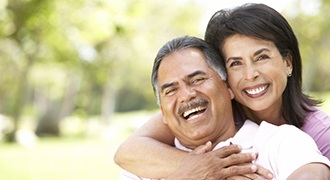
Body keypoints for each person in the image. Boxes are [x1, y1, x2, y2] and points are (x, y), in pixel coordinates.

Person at [114, 3, 330, 179]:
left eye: (261, 57)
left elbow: (313, 173)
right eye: (235, 63)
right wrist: (201, 171)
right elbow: (127, 151)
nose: (250, 74)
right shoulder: (188, 116)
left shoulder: (296, 138)